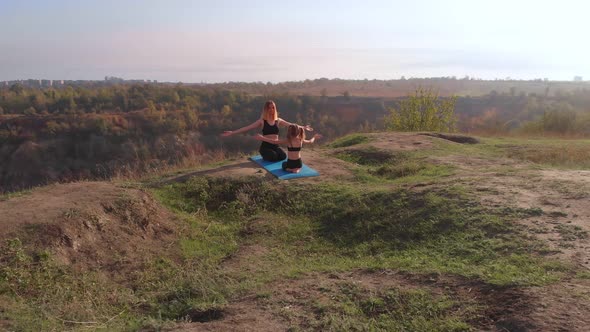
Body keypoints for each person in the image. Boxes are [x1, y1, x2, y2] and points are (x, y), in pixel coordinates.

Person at [221, 100, 312, 161]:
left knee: (283, 156)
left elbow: (292, 125)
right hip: (266, 147)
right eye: (269, 108)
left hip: (275, 146)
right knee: (273, 156)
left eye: (273, 108)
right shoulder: (262, 121)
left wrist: (303, 127)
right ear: (266, 109)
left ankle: (272, 155)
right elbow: (247, 128)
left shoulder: (278, 120)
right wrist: (232, 132)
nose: (271, 110)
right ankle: (265, 154)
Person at [254, 124, 321, 173]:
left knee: (284, 164)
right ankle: (297, 169)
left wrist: (262, 138)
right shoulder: (301, 140)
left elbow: (274, 142)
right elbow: (310, 141)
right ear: (298, 132)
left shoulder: (288, 140)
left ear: (290, 132)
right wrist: (314, 137)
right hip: (299, 163)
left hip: (290, 163)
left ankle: (290, 169)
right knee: (297, 165)